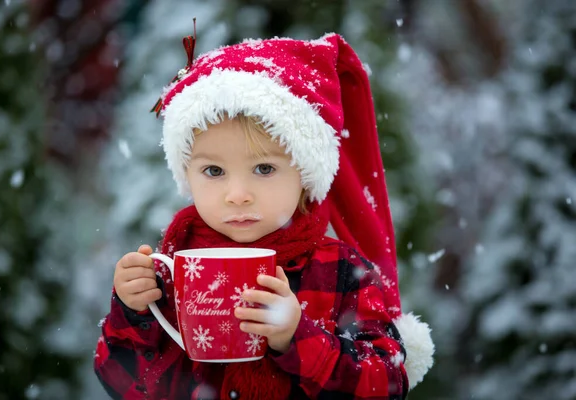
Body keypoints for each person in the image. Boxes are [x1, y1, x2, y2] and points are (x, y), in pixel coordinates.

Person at [94, 32, 434, 400]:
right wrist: (132, 314)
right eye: (213, 171)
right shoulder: (174, 270)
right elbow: (122, 384)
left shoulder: (341, 271)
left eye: (264, 169)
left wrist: (297, 338)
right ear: (187, 176)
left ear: (304, 175)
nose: (237, 195)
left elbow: (386, 385)